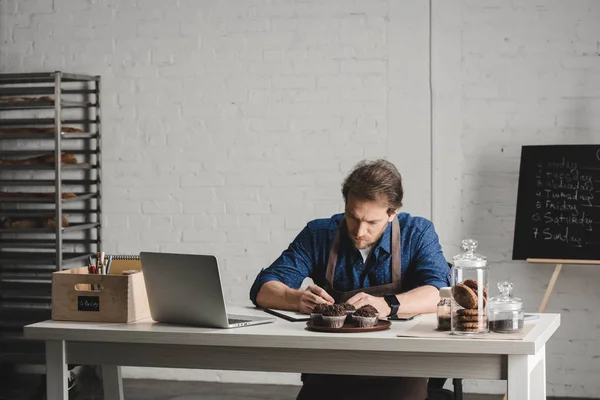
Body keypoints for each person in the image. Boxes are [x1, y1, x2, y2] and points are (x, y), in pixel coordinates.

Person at [249, 159, 451, 400]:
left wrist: (388, 304)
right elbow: (263, 288)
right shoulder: (319, 233)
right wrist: (296, 298)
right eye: (353, 217)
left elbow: (440, 292)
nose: (359, 231)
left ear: (392, 214)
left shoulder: (416, 233)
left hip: (399, 365)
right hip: (330, 364)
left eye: (371, 222)